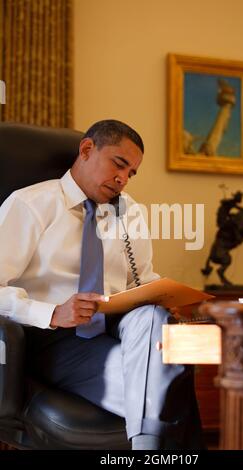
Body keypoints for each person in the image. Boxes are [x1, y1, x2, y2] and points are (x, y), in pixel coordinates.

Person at [0, 120, 205, 450]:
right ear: (86, 150)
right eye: (119, 164)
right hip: (53, 338)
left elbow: (141, 278)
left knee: (154, 318)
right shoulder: (30, 205)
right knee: (167, 386)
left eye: (132, 173)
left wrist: (176, 298)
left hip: (117, 328)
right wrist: (52, 312)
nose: (123, 179)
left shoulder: (130, 212)